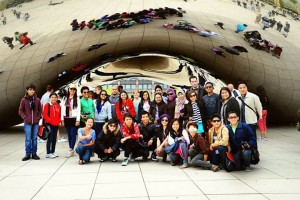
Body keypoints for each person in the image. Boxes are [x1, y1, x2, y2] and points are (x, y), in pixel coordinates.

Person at [18, 84, 42, 161]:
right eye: (30, 89)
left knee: (34, 139)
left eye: (33, 90)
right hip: (27, 123)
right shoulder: (24, 100)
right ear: (27, 90)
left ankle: (34, 154)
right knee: (28, 139)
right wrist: (25, 117)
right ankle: (27, 154)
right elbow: (20, 110)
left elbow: (40, 110)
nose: (32, 91)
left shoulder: (37, 100)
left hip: (35, 123)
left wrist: (38, 118)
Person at [61, 84, 81, 157]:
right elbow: (62, 109)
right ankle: (71, 148)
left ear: (75, 90)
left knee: (73, 134)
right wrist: (62, 119)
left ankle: (71, 149)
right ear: (68, 89)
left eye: (73, 89)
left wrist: (78, 120)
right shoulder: (64, 98)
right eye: (71, 89)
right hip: (66, 118)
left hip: (73, 118)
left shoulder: (77, 98)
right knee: (69, 134)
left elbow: (79, 110)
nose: (72, 90)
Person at [43, 93, 61, 158]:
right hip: (49, 124)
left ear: (57, 98)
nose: (53, 98)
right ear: (50, 98)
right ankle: (48, 152)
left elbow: (59, 115)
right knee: (50, 138)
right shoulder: (47, 105)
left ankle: (53, 151)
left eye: (55, 97)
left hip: (56, 124)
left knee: (54, 139)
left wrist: (59, 121)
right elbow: (45, 115)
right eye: (52, 97)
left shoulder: (58, 106)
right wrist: (50, 121)